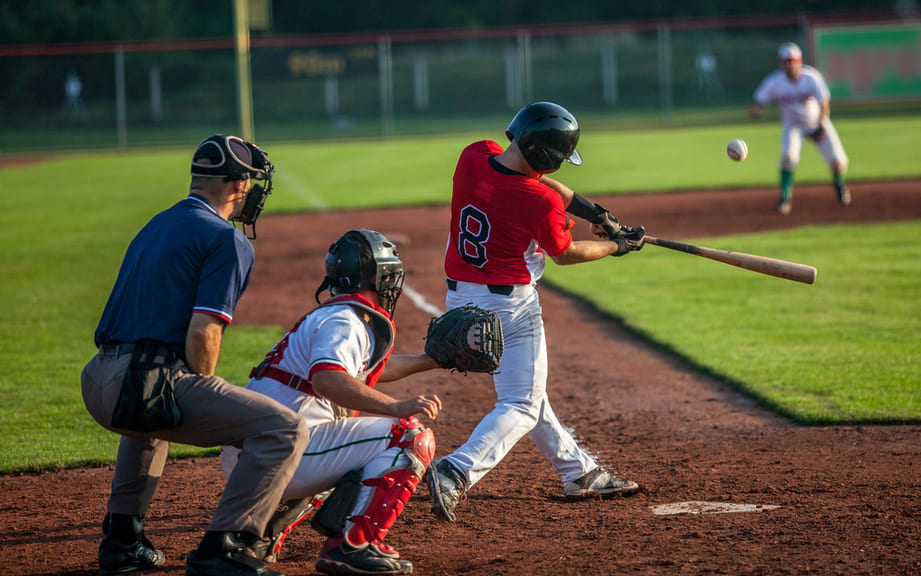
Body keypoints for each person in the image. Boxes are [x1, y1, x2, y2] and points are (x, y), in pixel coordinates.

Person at [81, 134, 310, 576]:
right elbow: (204, 331)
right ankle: (226, 547)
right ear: (238, 186)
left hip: (98, 380)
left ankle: (122, 540)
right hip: (136, 384)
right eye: (252, 183)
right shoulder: (228, 240)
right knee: (285, 429)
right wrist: (203, 386)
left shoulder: (157, 223)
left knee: (153, 411)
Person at [426, 101, 646, 523]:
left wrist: (598, 214)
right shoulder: (538, 201)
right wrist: (617, 246)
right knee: (522, 404)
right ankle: (456, 470)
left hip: (460, 300)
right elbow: (566, 253)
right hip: (509, 308)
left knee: (527, 392)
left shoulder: (474, 155)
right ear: (545, 156)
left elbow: (541, 186)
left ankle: (579, 473)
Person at [221, 229, 443, 576]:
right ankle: (353, 546)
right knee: (408, 437)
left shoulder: (332, 317)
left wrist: (430, 360)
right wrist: (396, 407)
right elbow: (329, 379)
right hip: (283, 455)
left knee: (347, 447)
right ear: (378, 277)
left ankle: (260, 535)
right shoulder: (346, 321)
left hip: (257, 454)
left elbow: (361, 370)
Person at [750, 42, 851, 215]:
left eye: (792, 60)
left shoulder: (811, 77)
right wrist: (756, 110)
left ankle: (839, 186)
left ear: (799, 61)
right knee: (788, 157)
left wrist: (820, 125)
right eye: (786, 61)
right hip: (793, 126)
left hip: (818, 122)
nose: (789, 64)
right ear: (781, 63)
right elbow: (759, 100)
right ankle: (784, 198)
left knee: (838, 162)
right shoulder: (775, 81)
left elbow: (824, 104)